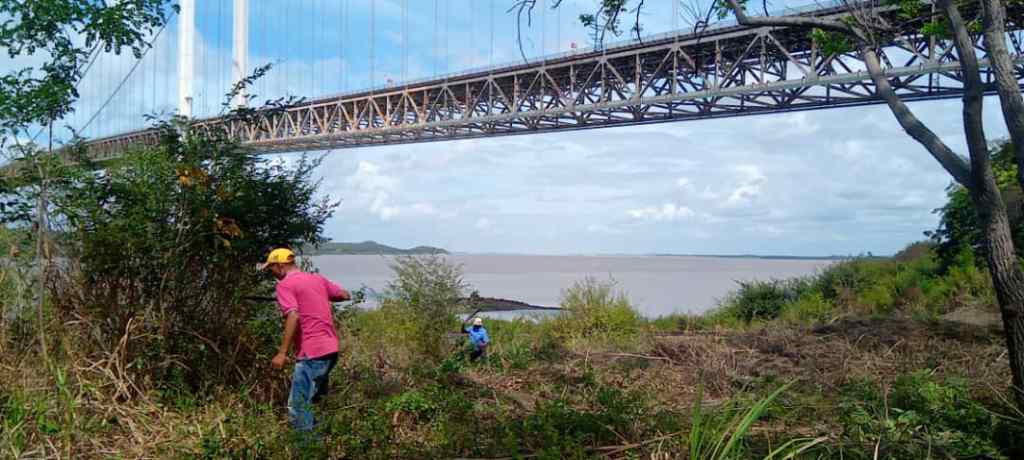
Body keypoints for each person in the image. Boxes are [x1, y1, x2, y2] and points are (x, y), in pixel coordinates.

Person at [261, 248, 350, 436]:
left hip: (312, 353)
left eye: (271, 269)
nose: (272, 274)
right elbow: (343, 295)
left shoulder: (284, 285)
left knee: (298, 407)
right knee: (314, 403)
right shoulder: (316, 279)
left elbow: (293, 314)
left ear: (280, 265)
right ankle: (320, 445)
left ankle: (306, 451)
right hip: (330, 350)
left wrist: (282, 353)